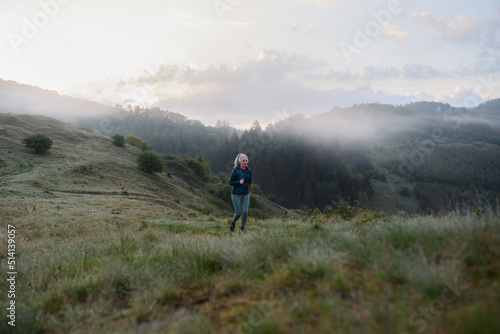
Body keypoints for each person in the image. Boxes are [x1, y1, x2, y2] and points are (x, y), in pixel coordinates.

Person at [229, 153, 253, 232]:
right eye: (244, 161)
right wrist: (239, 182)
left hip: (246, 193)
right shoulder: (236, 170)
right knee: (238, 212)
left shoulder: (248, 170)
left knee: (245, 212)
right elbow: (231, 182)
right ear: (240, 162)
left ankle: (242, 228)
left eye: (246, 160)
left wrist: (250, 184)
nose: (245, 162)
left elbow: (249, 179)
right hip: (236, 194)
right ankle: (233, 222)